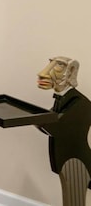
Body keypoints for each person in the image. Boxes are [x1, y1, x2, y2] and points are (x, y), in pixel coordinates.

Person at [37, 56, 91, 206]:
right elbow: (49, 122)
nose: (44, 73)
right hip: (65, 159)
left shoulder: (82, 103)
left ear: (71, 71)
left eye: (59, 66)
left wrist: (30, 117)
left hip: (76, 162)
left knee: (74, 200)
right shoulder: (62, 99)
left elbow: (57, 126)